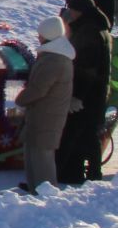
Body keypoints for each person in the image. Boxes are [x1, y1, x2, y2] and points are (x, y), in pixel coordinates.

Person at [16, 16, 75, 193]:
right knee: (35, 154)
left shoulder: (53, 59)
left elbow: (38, 89)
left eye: (40, 34)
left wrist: (21, 99)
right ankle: (37, 190)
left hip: (46, 115)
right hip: (45, 114)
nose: (38, 37)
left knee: (42, 158)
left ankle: (46, 195)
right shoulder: (55, 56)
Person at [59, 0, 111, 186]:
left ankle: (80, 174)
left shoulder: (89, 31)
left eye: (72, 10)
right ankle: (88, 174)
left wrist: (78, 96)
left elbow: (86, 68)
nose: (69, 13)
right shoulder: (97, 26)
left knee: (81, 133)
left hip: (88, 93)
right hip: (95, 92)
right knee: (89, 134)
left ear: (80, 11)